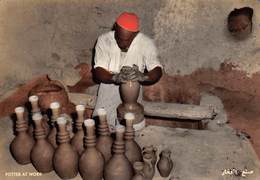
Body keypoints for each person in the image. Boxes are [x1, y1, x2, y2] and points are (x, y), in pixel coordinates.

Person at [93, 12, 163, 130]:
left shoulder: (146, 43)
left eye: (127, 40)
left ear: (135, 34)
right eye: (119, 39)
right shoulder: (104, 40)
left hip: (132, 96)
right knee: (102, 129)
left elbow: (157, 69)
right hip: (108, 89)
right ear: (115, 28)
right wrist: (114, 77)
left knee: (129, 133)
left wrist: (144, 77)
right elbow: (98, 70)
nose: (122, 43)